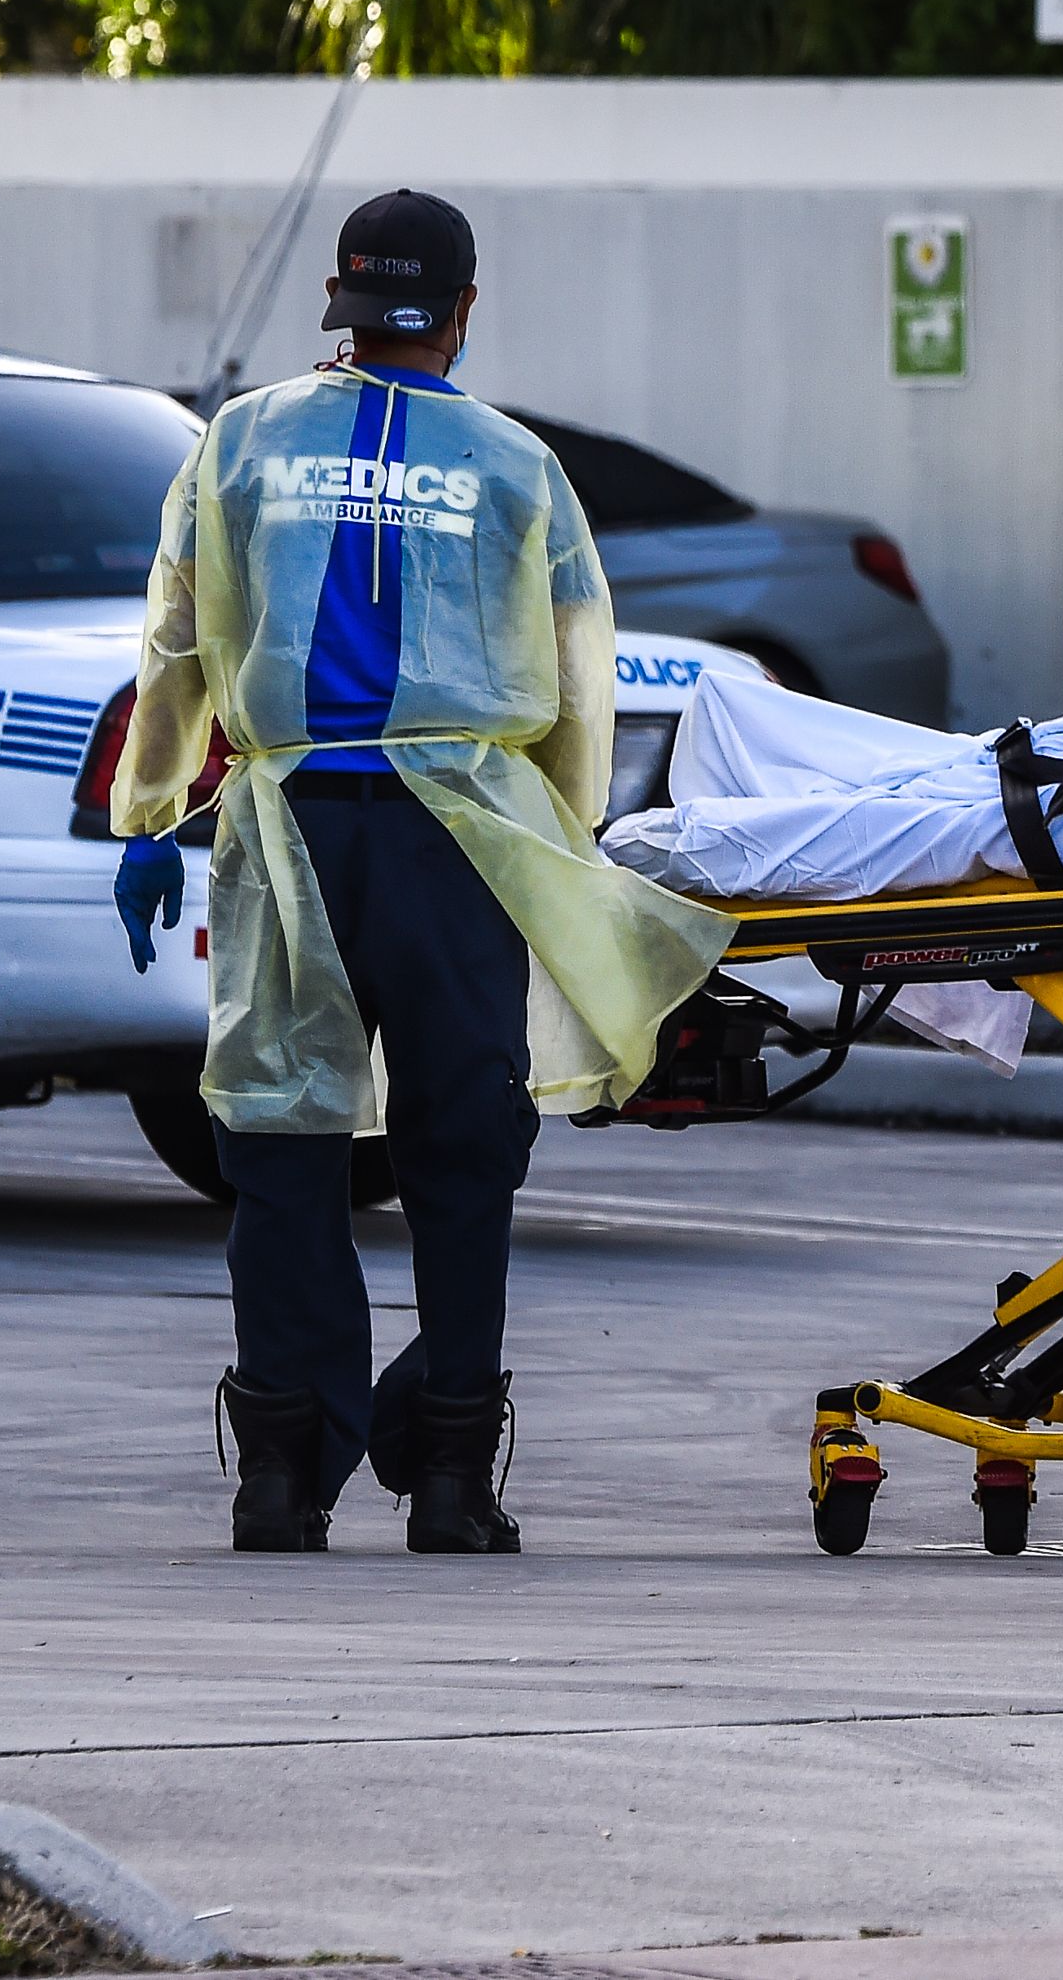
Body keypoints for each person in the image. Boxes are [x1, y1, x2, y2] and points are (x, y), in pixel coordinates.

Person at [110, 190, 731, 1555]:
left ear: (335, 301)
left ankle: (280, 1473)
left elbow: (174, 643)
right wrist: (553, 851)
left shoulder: (238, 447)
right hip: (462, 839)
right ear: (460, 312)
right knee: (461, 1155)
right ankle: (450, 1479)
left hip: (287, 836)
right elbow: (582, 678)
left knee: (280, 1142)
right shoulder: (517, 466)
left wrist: (150, 814)